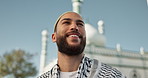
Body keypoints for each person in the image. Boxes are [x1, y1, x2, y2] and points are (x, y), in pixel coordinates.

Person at [38, 12, 126, 78]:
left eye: (80, 24)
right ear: (54, 37)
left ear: (85, 37)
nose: (74, 27)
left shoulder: (110, 75)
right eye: (66, 22)